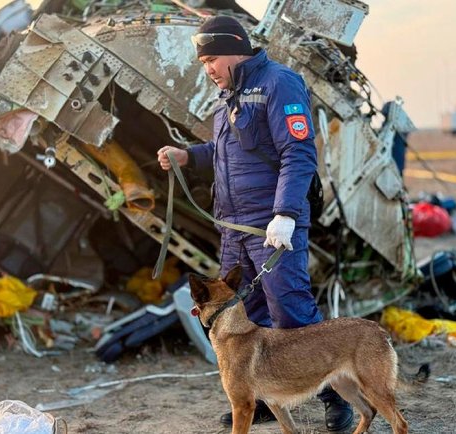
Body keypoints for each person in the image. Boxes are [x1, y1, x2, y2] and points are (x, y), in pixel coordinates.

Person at [157, 16, 353, 432]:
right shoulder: (227, 96)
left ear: (234, 49)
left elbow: (298, 153)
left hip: (271, 225)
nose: (207, 68)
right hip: (234, 229)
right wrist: (188, 156)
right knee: (249, 316)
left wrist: (285, 214)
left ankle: (336, 398)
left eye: (211, 59)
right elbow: (226, 152)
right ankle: (259, 397)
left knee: (291, 311)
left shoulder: (279, 83)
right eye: (203, 62)